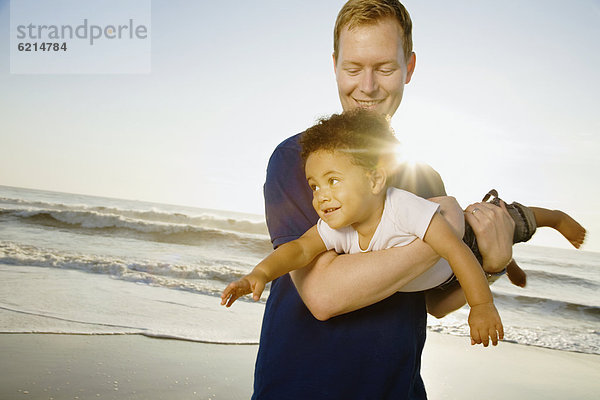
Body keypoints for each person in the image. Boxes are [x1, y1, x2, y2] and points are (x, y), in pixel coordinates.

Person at [251, 1, 516, 398]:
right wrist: (441, 230)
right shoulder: (301, 159)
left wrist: (492, 265)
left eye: (385, 68)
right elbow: (323, 295)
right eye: (353, 68)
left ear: (409, 68)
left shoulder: (425, 176)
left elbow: (435, 302)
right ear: (335, 65)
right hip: (302, 388)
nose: (368, 86)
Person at [222, 109, 506, 347]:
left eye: (333, 180)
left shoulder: (405, 208)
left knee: (516, 219)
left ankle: (552, 218)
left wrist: (481, 305)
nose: (321, 195)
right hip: (436, 266)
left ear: (374, 181)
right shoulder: (338, 223)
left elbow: (456, 251)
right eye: (314, 185)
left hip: (465, 249)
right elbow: (299, 248)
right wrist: (259, 273)